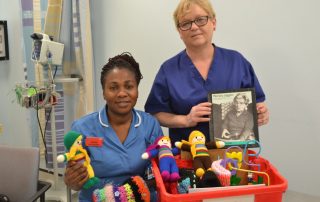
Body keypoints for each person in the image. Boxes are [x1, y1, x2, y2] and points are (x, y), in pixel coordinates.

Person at [145, 0, 269, 144]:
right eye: (185, 23)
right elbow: (155, 113)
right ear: (179, 31)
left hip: (232, 157)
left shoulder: (236, 62)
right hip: (187, 156)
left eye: (200, 20)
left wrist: (261, 112)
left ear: (213, 22)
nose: (194, 27)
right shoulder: (169, 70)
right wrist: (186, 120)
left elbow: (257, 102)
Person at [63, 52, 163, 201]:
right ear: (103, 92)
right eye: (113, 87)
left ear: (137, 90)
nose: (122, 93)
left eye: (129, 86)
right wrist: (72, 180)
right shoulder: (82, 128)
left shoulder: (150, 125)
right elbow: (74, 179)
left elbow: (159, 172)